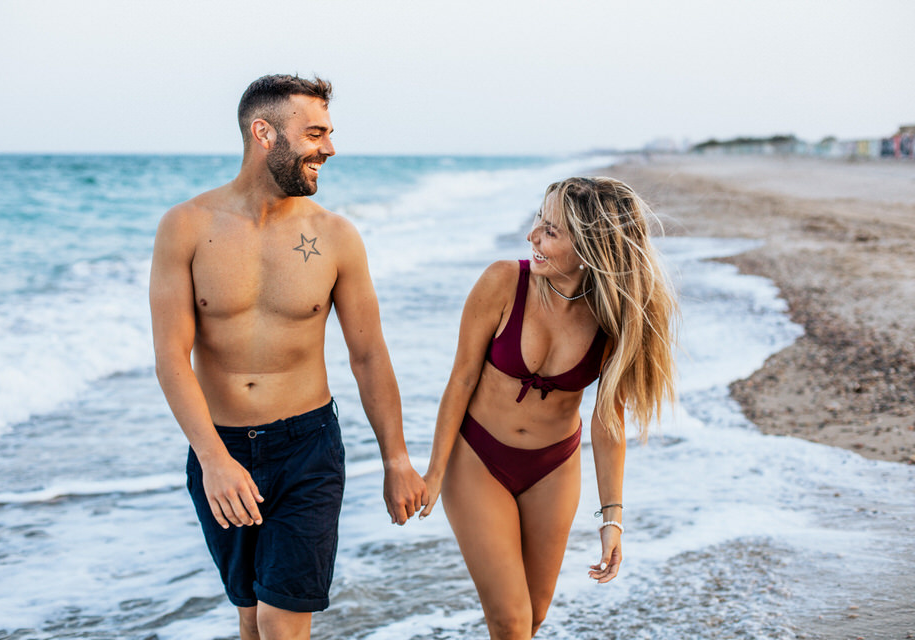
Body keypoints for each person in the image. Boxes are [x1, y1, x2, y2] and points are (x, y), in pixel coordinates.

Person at [149, 74, 427, 640]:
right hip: (219, 446)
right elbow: (171, 357)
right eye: (315, 133)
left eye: (328, 133)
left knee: (281, 620)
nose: (329, 148)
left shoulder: (336, 236)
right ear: (264, 133)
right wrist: (214, 460)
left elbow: (369, 356)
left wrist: (396, 458)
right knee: (251, 614)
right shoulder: (186, 227)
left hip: (307, 448)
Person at [419, 176, 677, 639]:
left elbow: (607, 420)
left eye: (551, 231)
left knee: (533, 618)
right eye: (539, 220)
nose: (532, 236)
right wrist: (435, 473)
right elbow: (460, 379)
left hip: (553, 467)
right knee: (511, 620)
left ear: (592, 248)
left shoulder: (614, 317)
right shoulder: (503, 281)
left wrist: (612, 518)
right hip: (478, 457)